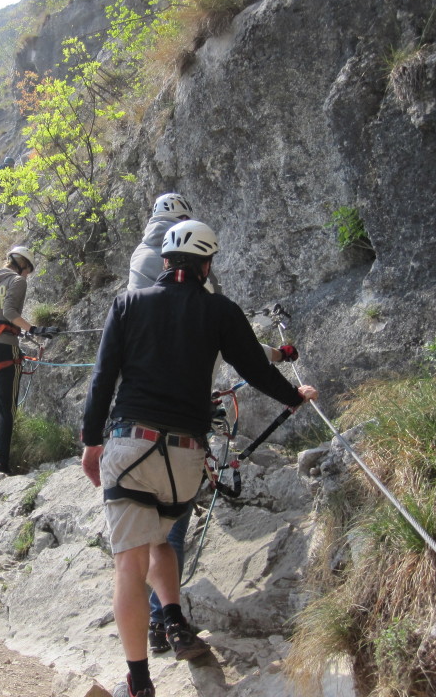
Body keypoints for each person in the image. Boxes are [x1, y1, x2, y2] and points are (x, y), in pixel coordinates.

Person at [81, 220, 318, 697]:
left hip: (131, 444)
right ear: (207, 265)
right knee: (163, 542)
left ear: (165, 262)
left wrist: (91, 443)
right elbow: (253, 366)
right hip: (186, 458)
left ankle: (140, 681)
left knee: (130, 563)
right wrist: (295, 395)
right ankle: (171, 615)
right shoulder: (221, 311)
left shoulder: (128, 303)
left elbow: (103, 378)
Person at [127, 194, 299, 654]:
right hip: (184, 416)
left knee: (147, 531)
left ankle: (153, 630)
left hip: (133, 418)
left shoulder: (139, 273)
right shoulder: (198, 293)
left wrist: (92, 439)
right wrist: (287, 379)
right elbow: (234, 347)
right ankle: (166, 622)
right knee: (173, 527)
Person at [0, 245, 58, 474]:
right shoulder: (17, 281)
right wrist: (34, 329)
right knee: (7, 409)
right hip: (3, 350)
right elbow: (9, 313)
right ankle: (0, 464)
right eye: (28, 270)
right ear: (23, 264)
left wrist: (16, 329)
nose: (27, 274)